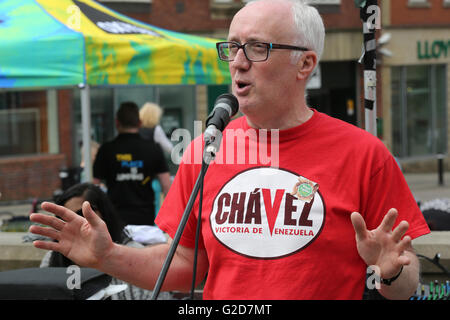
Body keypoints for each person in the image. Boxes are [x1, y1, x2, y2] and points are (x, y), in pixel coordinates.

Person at [30, 0, 430, 300]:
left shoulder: (364, 154)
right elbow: (185, 266)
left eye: (257, 48)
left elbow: (405, 281)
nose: (238, 62)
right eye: (232, 47)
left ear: (304, 63)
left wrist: (390, 271)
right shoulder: (208, 151)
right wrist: (107, 256)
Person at [38, 183, 172, 300]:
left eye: (83, 214)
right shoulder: (52, 257)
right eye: (66, 217)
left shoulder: (134, 253)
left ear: (104, 214)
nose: (76, 222)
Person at [92, 101, 171, 226]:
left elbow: (94, 186)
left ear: (116, 122)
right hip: (145, 218)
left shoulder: (106, 150)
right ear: (140, 123)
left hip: (114, 217)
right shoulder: (153, 149)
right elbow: (167, 186)